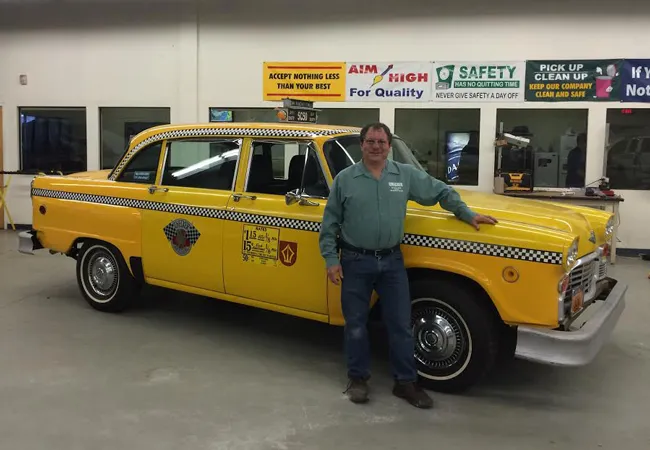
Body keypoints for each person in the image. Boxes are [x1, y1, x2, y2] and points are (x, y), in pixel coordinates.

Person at [318, 122, 497, 409]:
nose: (376, 147)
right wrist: (330, 259)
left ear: (389, 147)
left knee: (401, 325)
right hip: (355, 260)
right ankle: (358, 378)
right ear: (362, 145)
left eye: (381, 142)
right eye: (370, 141)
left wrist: (466, 213)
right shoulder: (345, 179)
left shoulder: (404, 175)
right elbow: (330, 223)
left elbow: (440, 191)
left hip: (391, 261)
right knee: (356, 325)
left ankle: (405, 382)